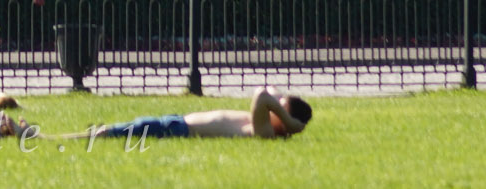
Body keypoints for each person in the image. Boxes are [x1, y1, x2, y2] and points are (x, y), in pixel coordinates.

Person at [65, 89, 311, 142]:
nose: (276, 105)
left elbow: (261, 95)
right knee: (122, 128)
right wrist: (288, 115)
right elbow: (271, 94)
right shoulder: (265, 122)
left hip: (179, 129)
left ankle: (58, 138)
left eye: (281, 106)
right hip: (178, 122)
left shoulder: (266, 132)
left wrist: (289, 122)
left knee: (118, 131)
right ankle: (71, 137)